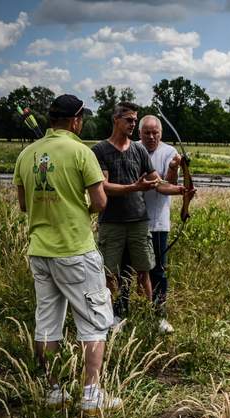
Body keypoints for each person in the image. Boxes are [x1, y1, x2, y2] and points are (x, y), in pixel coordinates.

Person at [13, 94, 121, 415]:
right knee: (94, 320)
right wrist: (80, 203)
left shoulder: (26, 155)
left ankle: (52, 391)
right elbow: (100, 202)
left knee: (46, 323)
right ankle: (91, 394)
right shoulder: (81, 152)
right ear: (75, 120)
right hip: (75, 250)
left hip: (40, 252)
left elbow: (23, 205)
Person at [115, 115, 193, 333]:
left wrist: (176, 168)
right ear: (139, 133)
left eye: (155, 132)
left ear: (161, 133)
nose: (151, 137)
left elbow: (170, 183)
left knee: (157, 271)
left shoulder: (168, 152)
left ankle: (158, 316)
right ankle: (121, 314)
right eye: (147, 133)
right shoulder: (131, 148)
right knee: (126, 271)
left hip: (157, 223)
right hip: (131, 221)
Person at [91, 102, 161, 329]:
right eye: (129, 120)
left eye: (134, 120)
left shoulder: (139, 150)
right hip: (111, 222)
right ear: (116, 120)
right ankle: (112, 317)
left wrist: (180, 188)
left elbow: (154, 180)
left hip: (138, 221)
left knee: (144, 270)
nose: (133, 124)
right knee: (110, 273)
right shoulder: (100, 150)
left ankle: (148, 318)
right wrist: (134, 187)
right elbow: (104, 186)